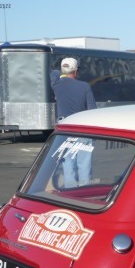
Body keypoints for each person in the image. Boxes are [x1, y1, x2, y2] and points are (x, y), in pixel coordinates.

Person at [50, 57, 97, 187]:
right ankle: (84, 189)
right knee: (84, 163)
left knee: (68, 162)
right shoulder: (85, 86)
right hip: (83, 129)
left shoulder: (57, 84)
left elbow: (53, 73)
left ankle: (70, 190)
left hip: (65, 128)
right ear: (76, 71)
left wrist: (62, 71)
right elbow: (92, 110)